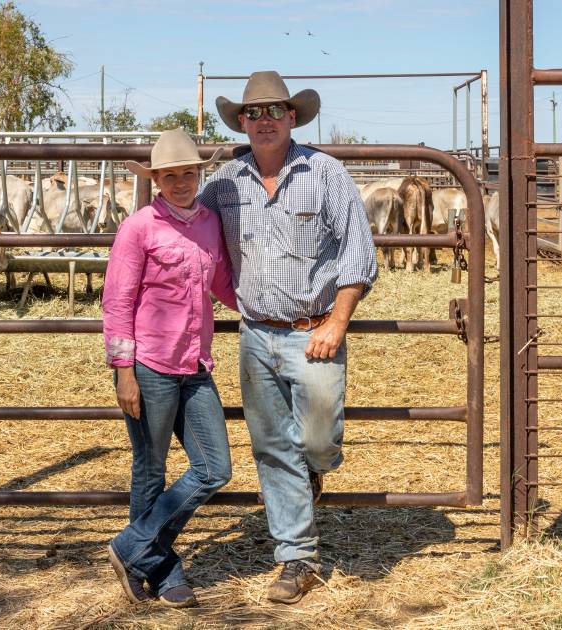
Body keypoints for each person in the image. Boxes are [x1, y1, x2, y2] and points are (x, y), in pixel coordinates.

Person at [197, 71, 378, 604]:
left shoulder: (326, 173)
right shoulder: (224, 182)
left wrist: (337, 321)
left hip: (313, 330)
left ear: (293, 117)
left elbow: (359, 255)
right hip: (256, 334)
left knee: (319, 441)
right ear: (242, 122)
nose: (265, 120)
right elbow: (192, 232)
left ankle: (312, 474)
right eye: (254, 113)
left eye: (276, 111)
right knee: (273, 448)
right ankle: (295, 559)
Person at [102, 128, 236, 608]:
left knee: (214, 468)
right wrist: (123, 369)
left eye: (189, 173)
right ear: (156, 178)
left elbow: (221, 283)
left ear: (199, 174)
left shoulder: (209, 223)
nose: (181, 182)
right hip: (151, 365)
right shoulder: (139, 227)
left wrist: (272, 309)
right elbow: (117, 302)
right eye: (171, 175)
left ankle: (132, 546)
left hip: (195, 365)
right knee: (150, 470)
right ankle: (161, 570)